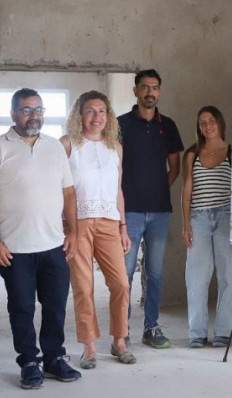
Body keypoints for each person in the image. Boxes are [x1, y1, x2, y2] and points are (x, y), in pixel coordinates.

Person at [0, 88, 82, 389]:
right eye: (26, 110)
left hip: (53, 246)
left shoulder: (54, 147)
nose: (33, 115)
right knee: (21, 308)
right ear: (13, 114)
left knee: (55, 307)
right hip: (14, 249)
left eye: (38, 109)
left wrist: (73, 231)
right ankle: (29, 361)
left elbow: (68, 191)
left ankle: (54, 358)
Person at [60, 91, 136, 369]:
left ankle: (119, 341)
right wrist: (65, 226)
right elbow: (59, 188)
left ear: (109, 116)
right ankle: (89, 346)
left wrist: (123, 227)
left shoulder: (114, 147)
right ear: (80, 115)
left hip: (108, 222)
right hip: (77, 223)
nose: (96, 117)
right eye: (90, 111)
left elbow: (117, 190)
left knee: (121, 283)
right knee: (83, 286)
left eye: (102, 111)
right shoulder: (68, 145)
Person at [118, 69, 184, 349]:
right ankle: (122, 330)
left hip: (159, 211)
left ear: (160, 91)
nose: (150, 92)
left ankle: (151, 327)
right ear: (135, 91)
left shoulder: (167, 125)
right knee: (126, 272)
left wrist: (158, 188)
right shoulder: (120, 124)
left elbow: (175, 165)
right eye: (144, 87)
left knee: (155, 273)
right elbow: (114, 166)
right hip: (129, 212)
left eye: (155, 87)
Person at [180, 106, 232, 348]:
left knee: (227, 276)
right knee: (196, 278)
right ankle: (197, 332)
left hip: (228, 218)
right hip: (199, 219)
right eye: (202, 122)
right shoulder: (192, 154)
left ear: (220, 123)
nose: (207, 126)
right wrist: (185, 224)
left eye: (211, 120)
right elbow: (186, 192)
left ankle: (224, 331)